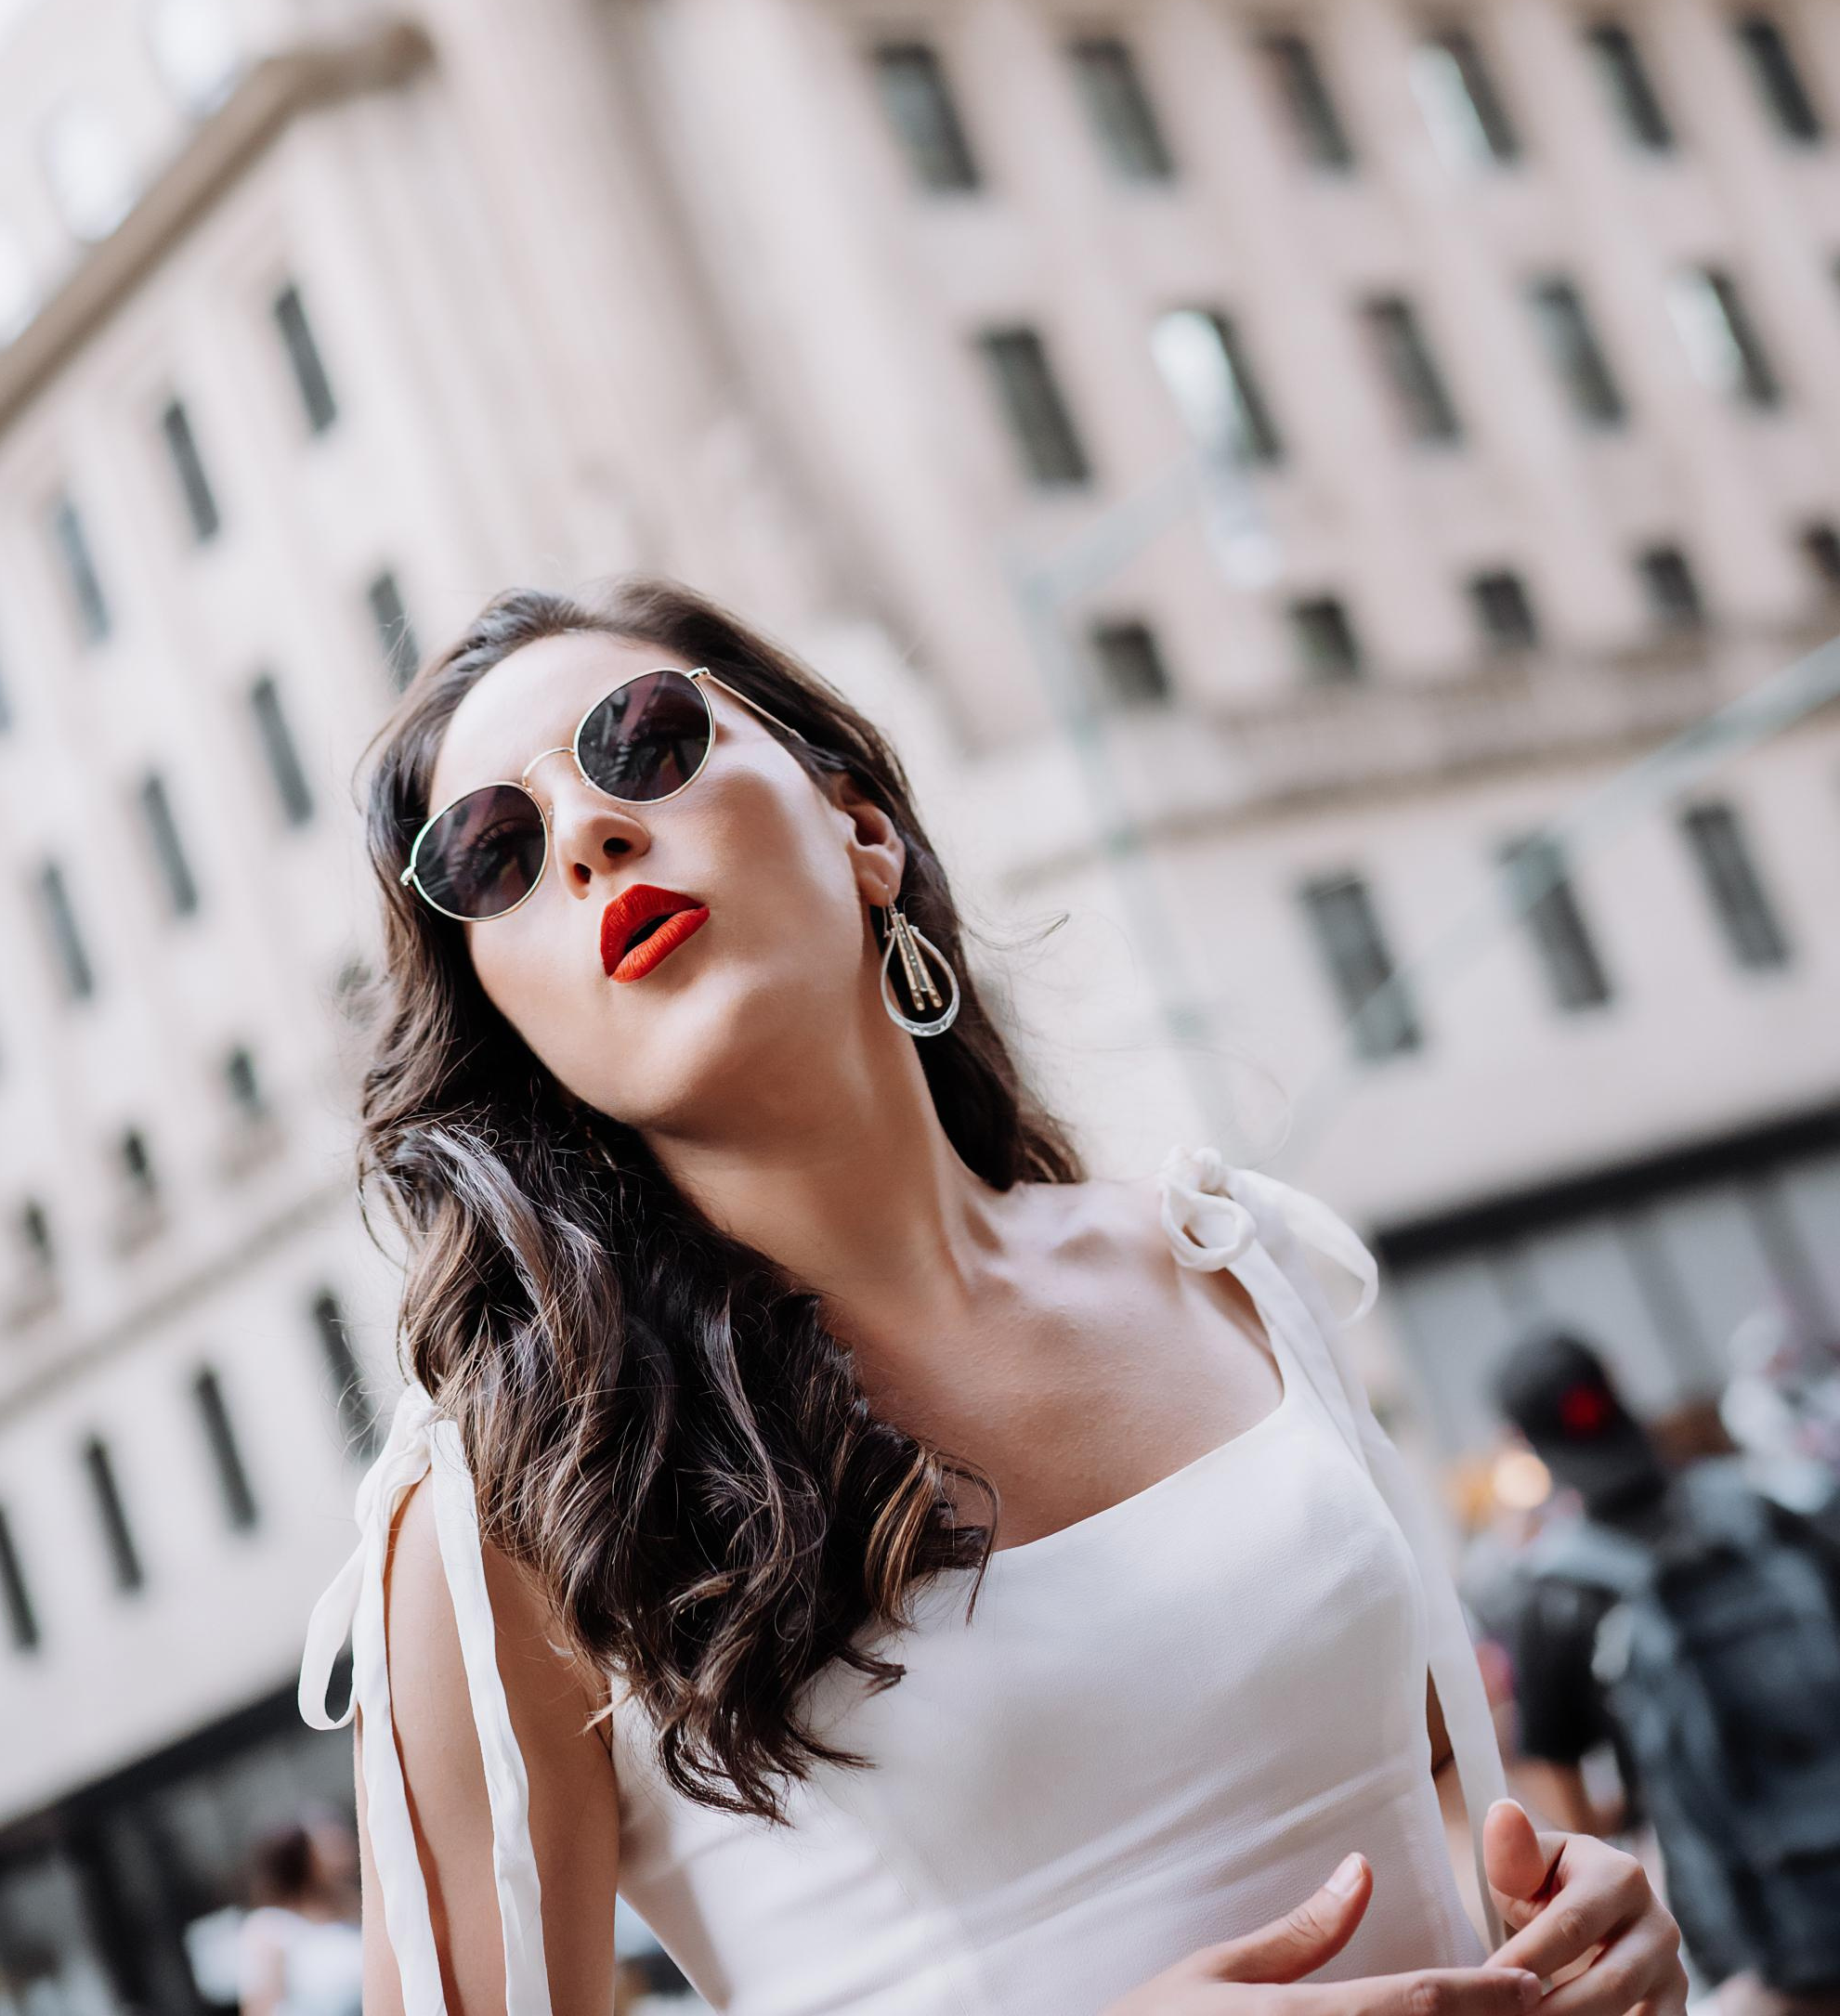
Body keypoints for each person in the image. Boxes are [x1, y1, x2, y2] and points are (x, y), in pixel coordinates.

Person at [302, 578, 1686, 2016]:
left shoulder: (1224, 1264)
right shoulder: (506, 1524)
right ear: (511, 1021)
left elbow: (1438, 1780)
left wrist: (1576, 1912)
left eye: (641, 742)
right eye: (492, 855)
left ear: (860, 829)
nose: (589, 835)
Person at [1494, 1328, 1840, 2014]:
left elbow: (1557, 1783)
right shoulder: (1761, 1509)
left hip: (1756, 1943)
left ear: (1523, 1440)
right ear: (1616, 1384)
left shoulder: (1556, 1592)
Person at [236, 1812, 363, 2016]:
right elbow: (260, 2008)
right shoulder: (269, 1928)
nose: (341, 1843)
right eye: (325, 1842)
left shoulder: (352, 1904)